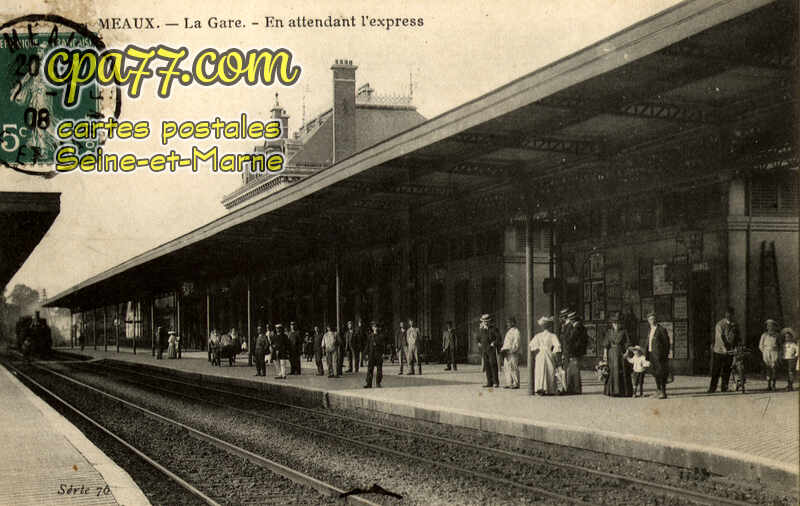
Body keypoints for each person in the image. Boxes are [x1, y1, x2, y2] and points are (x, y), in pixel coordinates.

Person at [708, 307, 737, 393]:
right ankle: (712, 388)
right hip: (719, 350)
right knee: (716, 370)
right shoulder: (720, 324)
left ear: (733, 315)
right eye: (728, 314)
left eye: (731, 314)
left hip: (730, 351)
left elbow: (737, 337)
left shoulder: (734, 325)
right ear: (725, 314)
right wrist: (724, 349)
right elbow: (719, 337)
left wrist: (735, 347)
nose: (729, 316)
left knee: (727, 369)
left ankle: (724, 387)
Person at [530, 316, 561, 395]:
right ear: (549, 326)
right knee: (550, 370)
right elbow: (557, 346)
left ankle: (540, 387)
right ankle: (549, 388)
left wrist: (537, 351)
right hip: (548, 353)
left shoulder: (538, 335)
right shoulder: (552, 335)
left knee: (540, 370)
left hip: (540, 354)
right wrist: (554, 353)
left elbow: (532, 346)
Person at [604, 315, 632, 397]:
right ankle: (612, 391)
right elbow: (606, 344)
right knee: (612, 371)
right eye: (614, 323)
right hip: (611, 353)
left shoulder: (624, 332)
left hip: (620, 353)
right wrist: (605, 354)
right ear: (612, 324)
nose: (616, 325)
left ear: (620, 324)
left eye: (617, 323)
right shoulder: (609, 332)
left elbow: (628, 343)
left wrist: (627, 352)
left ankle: (622, 392)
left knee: (621, 371)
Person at [645, 312, 670, 399]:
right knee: (654, 373)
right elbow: (648, 343)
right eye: (650, 319)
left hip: (659, 356)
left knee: (661, 373)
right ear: (648, 320)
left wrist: (664, 355)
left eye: (653, 319)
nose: (652, 321)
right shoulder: (650, 330)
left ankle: (663, 392)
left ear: (656, 319)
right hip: (651, 354)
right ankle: (658, 390)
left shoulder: (661, 329)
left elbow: (667, 344)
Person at [564, 311, 587, 395]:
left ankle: (575, 389)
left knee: (574, 370)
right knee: (572, 370)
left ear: (573, 320)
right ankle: (573, 388)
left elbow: (572, 340)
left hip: (574, 352)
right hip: (575, 352)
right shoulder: (576, 326)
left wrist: (571, 350)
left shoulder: (578, 327)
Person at [477, 314, 500, 388]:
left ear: (489, 321)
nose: (485, 322)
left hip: (491, 349)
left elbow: (498, 338)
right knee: (486, 366)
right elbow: (478, 337)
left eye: (487, 321)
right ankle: (489, 382)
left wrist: (494, 343)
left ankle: (496, 382)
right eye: (484, 321)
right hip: (484, 350)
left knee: (493, 364)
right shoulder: (481, 329)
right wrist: (479, 342)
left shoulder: (494, 329)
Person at [759, 319, 782, 391]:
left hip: (774, 352)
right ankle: (768, 385)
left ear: (774, 327)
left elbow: (780, 345)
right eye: (768, 326)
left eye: (772, 326)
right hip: (766, 352)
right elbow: (760, 345)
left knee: (774, 368)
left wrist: (779, 353)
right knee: (767, 368)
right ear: (767, 327)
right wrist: (764, 351)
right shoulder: (764, 335)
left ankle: (773, 385)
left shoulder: (777, 335)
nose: (770, 327)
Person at [500, 317, 521, 388]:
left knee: (514, 367)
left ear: (513, 323)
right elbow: (506, 343)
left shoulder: (516, 331)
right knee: (507, 367)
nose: (508, 324)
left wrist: (512, 350)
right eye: (508, 323)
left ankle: (516, 383)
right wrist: (503, 350)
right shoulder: (508, 332)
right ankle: (509, 382)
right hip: (506, 352)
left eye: (509, 322)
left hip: (512, 352)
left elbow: (516, 342)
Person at [363, 321, 384, 388]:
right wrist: (365, 354)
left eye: (376, 327)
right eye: (374, 327)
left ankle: (378, 383)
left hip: (378, 354)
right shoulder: (370, 336)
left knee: (379, 369)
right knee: (370, 369)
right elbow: (367, 345)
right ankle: (369, 383)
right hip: (371, 354)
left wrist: (383, 353)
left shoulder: (381, 336)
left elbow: (383, 346)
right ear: (372, 328)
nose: (375, 328)